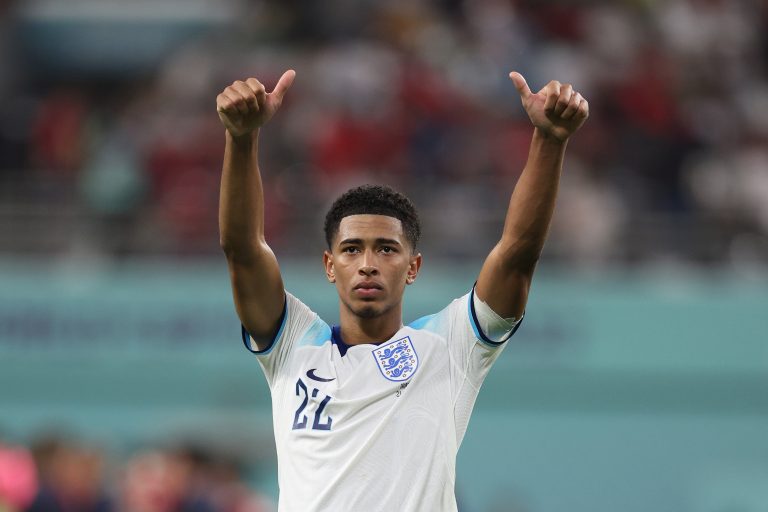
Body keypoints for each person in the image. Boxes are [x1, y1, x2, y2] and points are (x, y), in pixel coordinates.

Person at [216, 68, 588, 511]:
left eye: (386, 250)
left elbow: (517, 255)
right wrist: (241, 139)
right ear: (329, 266)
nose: (368, 264)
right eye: (352, 249)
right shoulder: (291, 344)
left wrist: (550, 140)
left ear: (413, 268)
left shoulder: (450, 347)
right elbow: (242, 250)